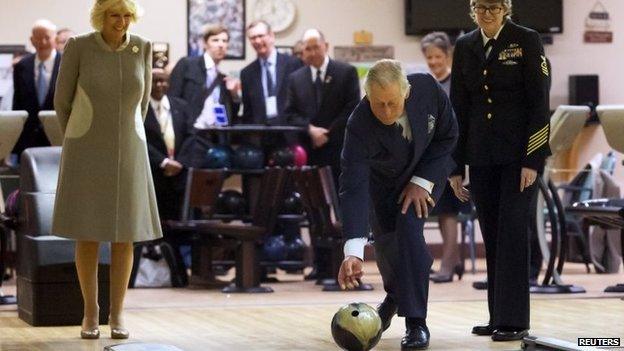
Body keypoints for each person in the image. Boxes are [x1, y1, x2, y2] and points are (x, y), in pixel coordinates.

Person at [53, 0, 162, 339]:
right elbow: (62, 101)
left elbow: (142, 104)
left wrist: (129, 135)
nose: (122, 21)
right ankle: (90, 312)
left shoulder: (141, 47)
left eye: (127, 15)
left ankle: (118, 314)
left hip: (130, 148)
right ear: (101, 16)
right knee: (88, 232)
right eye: (115, 15)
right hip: (84, 147)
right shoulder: (79, 46)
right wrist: (78, 135)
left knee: (124, 233)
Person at [337, 59, 458, 350]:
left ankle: (416, 322)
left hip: (428, 172)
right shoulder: (359, 124)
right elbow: (353, 187)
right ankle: (393, 298)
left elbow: (448, 136)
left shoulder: (428, 89)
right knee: (387, 244)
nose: (387, 112)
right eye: (379, 104)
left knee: (408, 229)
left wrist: (422, 180)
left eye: (393, 103)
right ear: (367, 97)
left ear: (406, 91)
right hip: (385, 185)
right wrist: (352, 251)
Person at [449, 0, 551, 342]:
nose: (487, 13)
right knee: (491, 235)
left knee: (511, 235)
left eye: (494, 7)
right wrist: (455, 165)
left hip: (518, 157)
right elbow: (458, 108)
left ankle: (514, 320)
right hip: (481, 156)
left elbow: (540, 102)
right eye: (481, 7)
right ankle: (497, 316)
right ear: (472, 9)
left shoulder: (526, 40)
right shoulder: (465, 46)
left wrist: (532, 160)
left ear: (505, 8)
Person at [284, 28, 360, 281]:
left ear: (326, 46)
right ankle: (319, 263)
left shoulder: (345, 72)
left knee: (339, 209)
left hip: (339, 151)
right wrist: (310, 129)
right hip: (311, 153)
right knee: (313, 209)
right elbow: (290, 113)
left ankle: (341, 264)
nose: (312, 52)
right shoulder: (295, 78)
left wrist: (327, 132)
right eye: (307, 48)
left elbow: (352, 107)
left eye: (316, 47)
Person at [420, 31, 465, 283]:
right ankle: (454, 260)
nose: (434, 62)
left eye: (438, 56)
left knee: (449, 210)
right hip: (431, 155)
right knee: (439, 209)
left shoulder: (456, 82)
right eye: (429, 57)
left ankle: (448, 264)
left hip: (452, 153)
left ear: (447, 55)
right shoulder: (426, 83)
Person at [145, 68, 194, 221]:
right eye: (155, 81)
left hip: (179, 174)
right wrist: (163, 162)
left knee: (178, 220)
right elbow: (139, 140)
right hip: (154, 174)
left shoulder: (182, 106)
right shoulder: (139, 108)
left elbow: (191, 136)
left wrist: (180, 163)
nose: (160, 85)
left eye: (164, 81)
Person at [169, 25, 240, 127]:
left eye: (224, 41)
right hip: (192, 132)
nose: (221, 45)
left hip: (217, 134)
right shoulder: (187, 64)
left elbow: (232, 114)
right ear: (205, 44)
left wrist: (234, 95)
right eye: (215, 40)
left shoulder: (222, 78)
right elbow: (172, 99)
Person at [12, 19, 60, 161]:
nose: (43, 42)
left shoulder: (68, 64)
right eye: (38, 38)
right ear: (32, 40)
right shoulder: (22, 66)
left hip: (58, 137)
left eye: (47, 37)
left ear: (55, 39)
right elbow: (18, 103)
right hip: (28, 140)